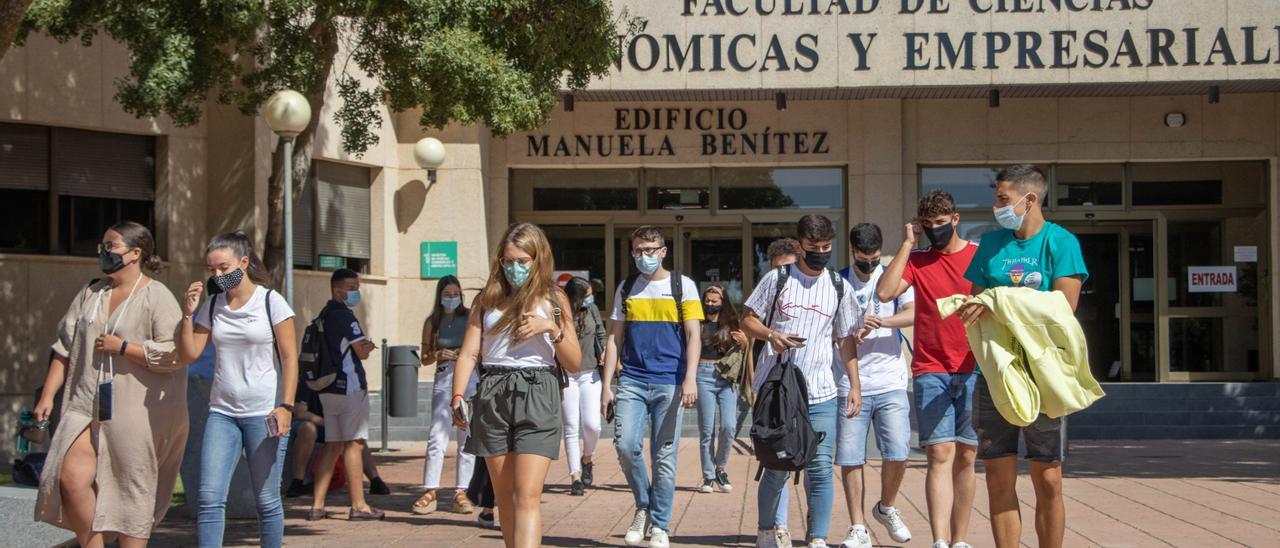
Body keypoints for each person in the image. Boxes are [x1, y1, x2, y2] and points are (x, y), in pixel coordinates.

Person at [957, 165, 1088, 548]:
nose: (996, 206)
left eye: (1002, 198)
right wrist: (971, 307)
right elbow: (977, 299)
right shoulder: (992, 244)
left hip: (1044, 375)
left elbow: (1065, 304)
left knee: (1047, 478)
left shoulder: (1060, 243)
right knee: (999, 478)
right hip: (995, 375)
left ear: (1029, 199)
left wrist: (1000, 302)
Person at [34, 222, 186, 548]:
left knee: (132, 490)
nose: (104, 252)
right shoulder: (92, 292)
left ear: (135, 253)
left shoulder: (156, 296)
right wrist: (47, 395)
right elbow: (64, 346)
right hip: (86, 402)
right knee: (69, 479)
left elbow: (175, 353)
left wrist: (124, 348)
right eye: (102, 245)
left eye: (111, 246)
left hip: (135, 408)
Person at [450, 222, 582, 548]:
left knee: (527, 495)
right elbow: (468, 353)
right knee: (505, 496)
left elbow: (575, 361)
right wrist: (456, 395)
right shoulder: (486, 300)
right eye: (508, 261)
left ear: (538, 260)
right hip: (494, 390)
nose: (515, 268)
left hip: (538, 391)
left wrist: (550, 328)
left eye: (523, 261)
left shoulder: (554, 299)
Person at [741, 214, 861, 548]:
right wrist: (771, 334)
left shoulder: (839, 287)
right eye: (813, 247)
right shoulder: (777, 280)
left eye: (826, 247)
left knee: (821, 467)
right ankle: (767, 530)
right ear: (799, 246)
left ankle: (817, 538)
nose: (821, 253)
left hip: (821, 390)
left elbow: (846, 338)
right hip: (778, 389)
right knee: (777, 465)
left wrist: (854, 384)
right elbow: (748, 320)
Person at [177, 231, 298, 548]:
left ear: (244, 263)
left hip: (264, 413)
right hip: (222, 413)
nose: (217, 275)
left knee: (266, 499)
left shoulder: (271, 302)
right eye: (211, 269)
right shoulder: (213, 304)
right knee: (209, 498)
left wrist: (286, 407)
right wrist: (187, 314)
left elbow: (289, 358)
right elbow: (189, 353)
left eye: (223, 268)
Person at [876, 190, 980, 548]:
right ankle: (939, 540)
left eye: (941, 222)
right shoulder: (918, 260)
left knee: (966, 455)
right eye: (928, 224)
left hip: (973, 367)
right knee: (939, 454)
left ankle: (960, 539)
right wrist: (907, 243)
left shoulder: (978, 257)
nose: (935, 229)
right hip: (930, 367)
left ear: (955, 218)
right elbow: (886, 293)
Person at [601, 226, 703, 548]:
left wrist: (690, 378)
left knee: (664, 457)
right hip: (631, 378)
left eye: (650, 249)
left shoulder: (682, 286)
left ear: (663, 251)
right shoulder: (626, 287)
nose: (644, 256)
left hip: (670, 382)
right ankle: (643, 505)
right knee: (625, 445)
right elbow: (615, 337)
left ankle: (660, 524)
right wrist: (607, 385)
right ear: (632, 252)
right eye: (638, 250)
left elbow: (694, 335)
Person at [834, 223, 915, 548]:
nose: (869, 263)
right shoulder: (838, 281)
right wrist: (852, 329)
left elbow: (913, 313)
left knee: (897, 451)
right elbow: (832, 330)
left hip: (891, 379)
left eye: (874, 257)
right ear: (852, 252)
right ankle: (857, 526)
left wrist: (883, 320)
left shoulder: (894, 277)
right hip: (850, 382)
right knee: (851, 457)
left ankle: (886, 507)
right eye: (862, 258)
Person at [306, 269, 384, 521]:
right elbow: (360, 352)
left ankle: (317, 505)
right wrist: (368, 347)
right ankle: (359, 505)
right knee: (354, 444)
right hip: (349, 388)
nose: (356, 291)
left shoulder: (324, 315)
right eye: (352, 286)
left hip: (326, 389)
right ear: (338, 291)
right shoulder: (343, 316)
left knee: (333, 445)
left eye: (357, 285)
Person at [414, 275, 479, 515]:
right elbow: (425, 357)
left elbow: (478, 349)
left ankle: (462, 490)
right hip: (443, 377)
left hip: (468, 377)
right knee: (437, 434)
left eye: (456, 294)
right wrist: (438, 354)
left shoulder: (470, 317)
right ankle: (430, 489)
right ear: (440, 296)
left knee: (466, 433)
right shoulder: (433, 321)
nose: (452, 299)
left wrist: (464, 354)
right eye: (447, 295)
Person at [284, 373, 388, 498]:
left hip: (331, 425)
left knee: (355, 436)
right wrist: (329, 423)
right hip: (308, 423)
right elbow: (300, 412)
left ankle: (375, 480)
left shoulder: (342, 382)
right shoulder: (308, 379)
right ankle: (298, 481)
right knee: (308, 429)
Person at [695, 285, 747, 494]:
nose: (710, 304)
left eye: (714, 301)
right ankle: (708, 476)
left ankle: (720, 468)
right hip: (702, 373)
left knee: (729, 426)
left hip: (726, 377)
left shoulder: (732, 323)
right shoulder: (697, 322)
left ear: (722, 302)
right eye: (707, 300)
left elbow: (743, 349)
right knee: (706, 430)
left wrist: (744, 344)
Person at [561, 277, 606, 496]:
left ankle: (587, 458)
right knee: (571, 426)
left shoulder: (593, 310)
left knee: (593, 426)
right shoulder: (561, 312)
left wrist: (606, 350)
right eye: (587, 295)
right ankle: (575, 476)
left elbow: (600, 333)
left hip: (590, 374)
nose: (591, 298)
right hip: (567, 375)